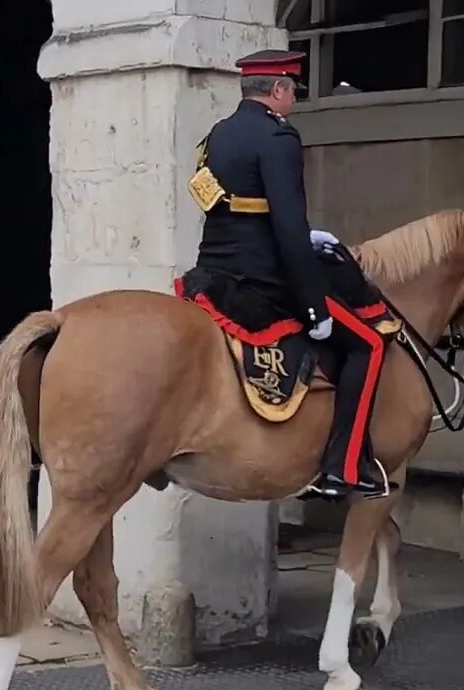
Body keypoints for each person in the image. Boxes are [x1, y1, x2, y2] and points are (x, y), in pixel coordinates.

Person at [177, 48, 390, 501]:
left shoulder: (217, 135)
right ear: (277, 90)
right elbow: (287, 227)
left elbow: (231, 207)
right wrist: (315, 305)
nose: (293, 99)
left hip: (214, 272)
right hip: (263, 278)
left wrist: (309, 236)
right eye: (292, 90)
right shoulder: (279, 137)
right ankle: (344, 466)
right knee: (368, 345)